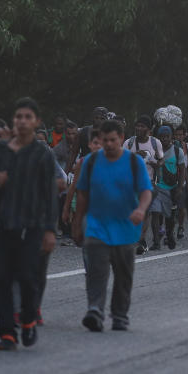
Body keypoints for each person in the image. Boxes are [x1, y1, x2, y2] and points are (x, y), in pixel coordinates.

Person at [0, 97, 59, 351]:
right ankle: (7, 333)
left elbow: (50, 195)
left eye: (27, 117)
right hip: (3, 226)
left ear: (36, 122)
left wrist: (50, 231)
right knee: (0, 278)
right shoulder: (0, 150)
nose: (22, 121)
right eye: (18, 116)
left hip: (32, 226)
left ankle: (27, 320)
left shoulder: (43, 153)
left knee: (27, 278)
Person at [73, 120, 152, 332]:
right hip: (97, 226)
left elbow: (146, 191)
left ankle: (119, 314)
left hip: (126, 229)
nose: (108, 144)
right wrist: (77, 223)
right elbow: (82, 195)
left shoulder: (135, 163)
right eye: (104, 140)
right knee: (96, 272)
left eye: (113, 140)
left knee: (123, 275)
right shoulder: (90, 163)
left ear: (121, 138)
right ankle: (95, 310)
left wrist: (141, 209)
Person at [124, 116, 163, 255]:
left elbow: (160, 161)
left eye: (143, 126)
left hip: (149, 182)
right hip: (131, 182)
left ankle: (141, 239)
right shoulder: (129, 143)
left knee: (145, 212)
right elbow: (121, 160)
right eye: (137, 126)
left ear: (149, 128)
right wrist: (135, 154)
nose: (139, 129)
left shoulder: (155, 142)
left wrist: (153, 163)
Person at [149, 126, 184, 251]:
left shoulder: (177, 151)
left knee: (169, 217)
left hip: (171, 188)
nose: (164, 139)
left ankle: (169, 235)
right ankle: (156, 241)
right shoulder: (154, 151)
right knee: (155, 213)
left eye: (167, 136)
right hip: (157, 187)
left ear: (171, 137)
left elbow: (182, 169)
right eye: (161, 137)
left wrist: (180, 187)